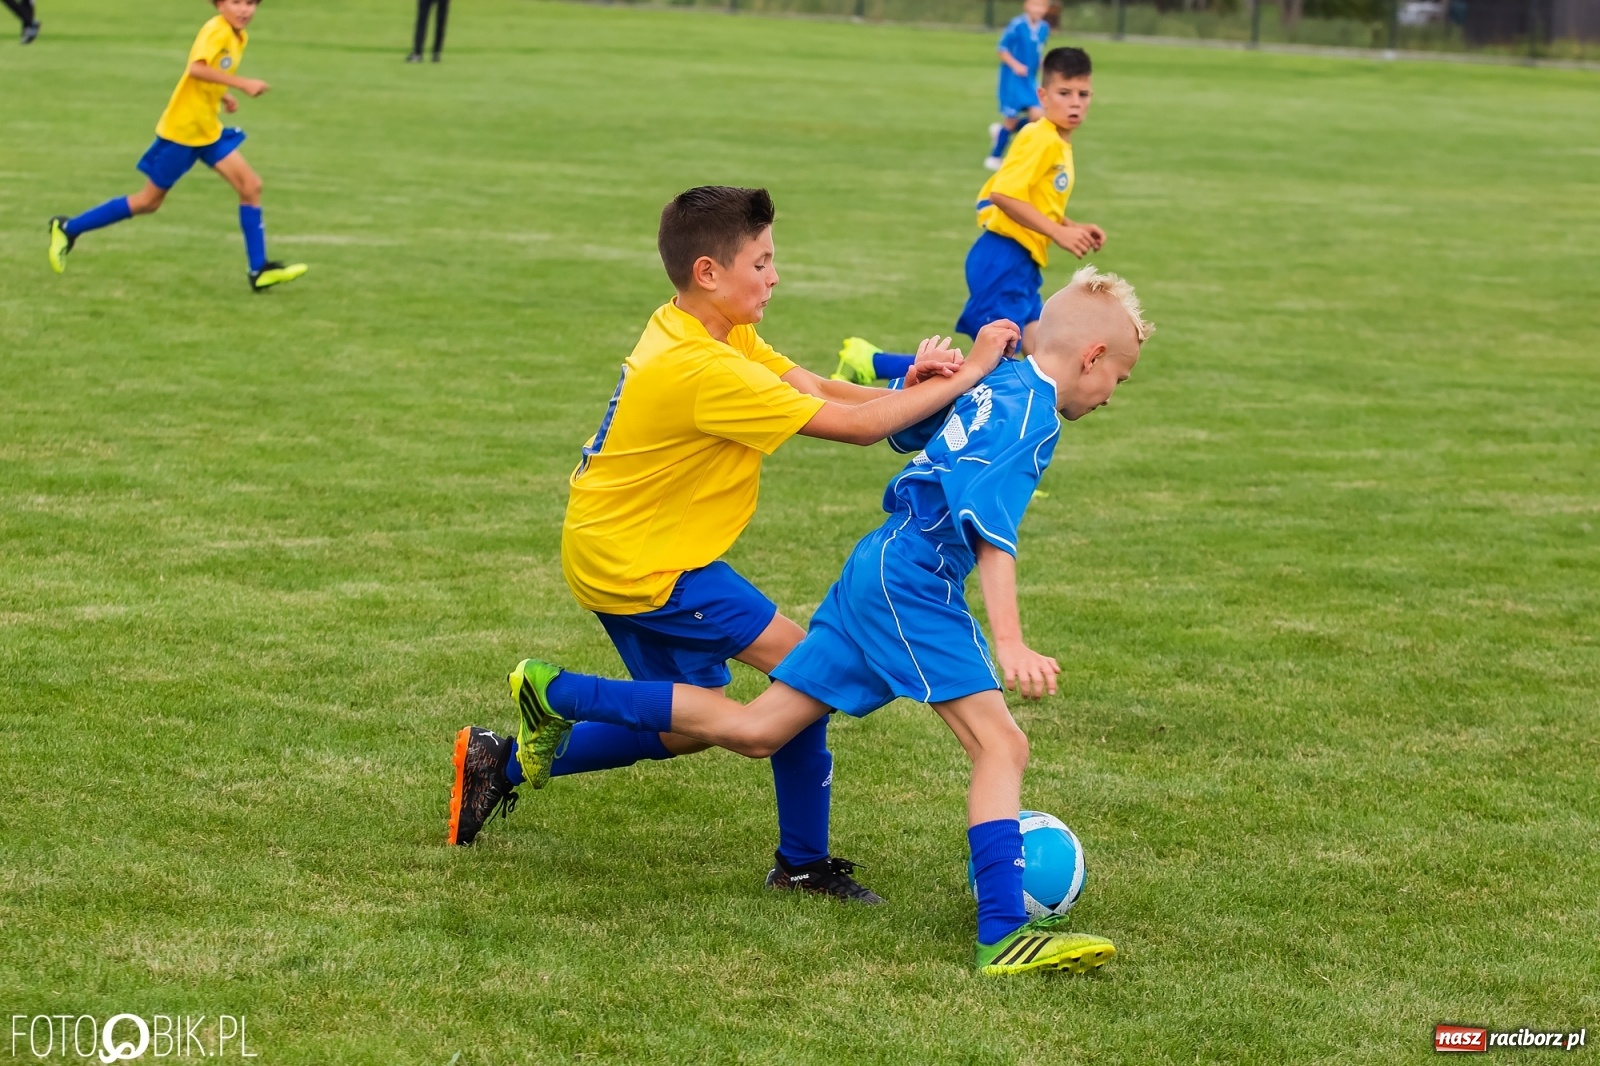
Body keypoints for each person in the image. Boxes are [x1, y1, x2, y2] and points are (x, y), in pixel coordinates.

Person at [499, 268, 1152, 975]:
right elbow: (988, 529)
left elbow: (916, 431)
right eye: (1118, 378)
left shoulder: (1000, 379)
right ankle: (1003, 933)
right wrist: (1012, 641)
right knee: (1002, 747)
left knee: (759, 730)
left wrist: (931, 378)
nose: (1112, 395)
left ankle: (558, 693)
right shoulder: (1033, 416)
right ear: (1091, 357)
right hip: (914, 581)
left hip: (874, 569)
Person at [447, 186, 985, 906]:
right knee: (806, 675)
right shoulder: (705, 370)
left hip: (615, 548)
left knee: (693, 723)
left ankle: (500, 763)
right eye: (760, 263)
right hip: (647, 564)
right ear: (709, 272)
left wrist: (910, 387)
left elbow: (820, 389)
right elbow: (856, 430)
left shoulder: (707, 330)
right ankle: (562, 696)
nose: (775, 277)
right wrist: (971, 374)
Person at [833, 46, 1104, 384]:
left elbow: (1035, 199)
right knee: (989, 370)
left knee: (1043, 368)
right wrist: (1059, 233)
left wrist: (1072, 226)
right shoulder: (1040, 137)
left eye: (1083, 94)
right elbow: (1003, 194)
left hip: (1023, 266)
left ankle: (873, 363)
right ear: (1043, 95)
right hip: (1003, 259)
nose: (1075, 102)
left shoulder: (1057, 142)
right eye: (1065, 93)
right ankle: (873, 362)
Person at [46, 0, 307, 292]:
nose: (244, 10)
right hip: (183, 132)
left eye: (250, 3)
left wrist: (222, 95)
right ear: (219, 4)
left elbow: (210, 72)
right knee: (148, 202)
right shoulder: (216, 30)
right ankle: (68, 228)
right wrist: (242, 83)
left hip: (207, 130)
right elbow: (196, 68)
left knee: (251, 186)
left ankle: (259, 270)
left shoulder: (238, 35)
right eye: (236, 2)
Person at [985, 0, 1051, 171]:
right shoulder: (1017, 25)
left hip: (1030, 79)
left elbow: (1037, 50)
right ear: (1026, 6)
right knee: (1011, 118)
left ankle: (1001, 132)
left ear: (1046, 9)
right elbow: (1002, 49)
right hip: (1013, 79)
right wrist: (1016, 65)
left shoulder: (1044, 28)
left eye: (1041, 6)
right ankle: (994, 157)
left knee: (1038, 116)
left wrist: (1043, 63)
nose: (1037, 9)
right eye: (1034, 5)